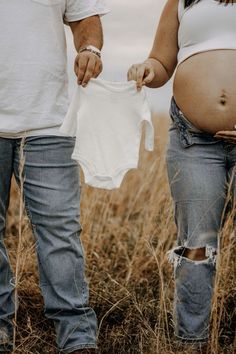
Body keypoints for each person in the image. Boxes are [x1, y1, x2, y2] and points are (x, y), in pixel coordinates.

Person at [0, 1, 109, 353]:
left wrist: (90, 49)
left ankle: (77, 335)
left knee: (60, 231)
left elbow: (86, 20)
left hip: (50, 121)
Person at [127, 0, 236, 350]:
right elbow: (162, 61)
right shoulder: (183, 0)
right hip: (194, 142)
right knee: (197, 245)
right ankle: (192, 341)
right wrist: (147, 68)